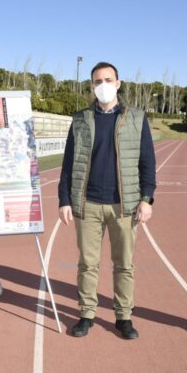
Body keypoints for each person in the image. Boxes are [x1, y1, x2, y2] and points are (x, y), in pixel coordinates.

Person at [58, 62, 156, 340]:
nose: (103, 85)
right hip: (87, 203)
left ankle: (123, 316)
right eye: (97, 81)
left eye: (108, 79)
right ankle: (87, 313)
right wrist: (64, 199)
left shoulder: (136, 117)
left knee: (124, 264)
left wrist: (147, 198)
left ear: (118, 83)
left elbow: (147, 162)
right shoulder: (80, 119)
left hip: (124, 205)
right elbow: (68, 163)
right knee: (87, 263)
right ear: (91, 85)